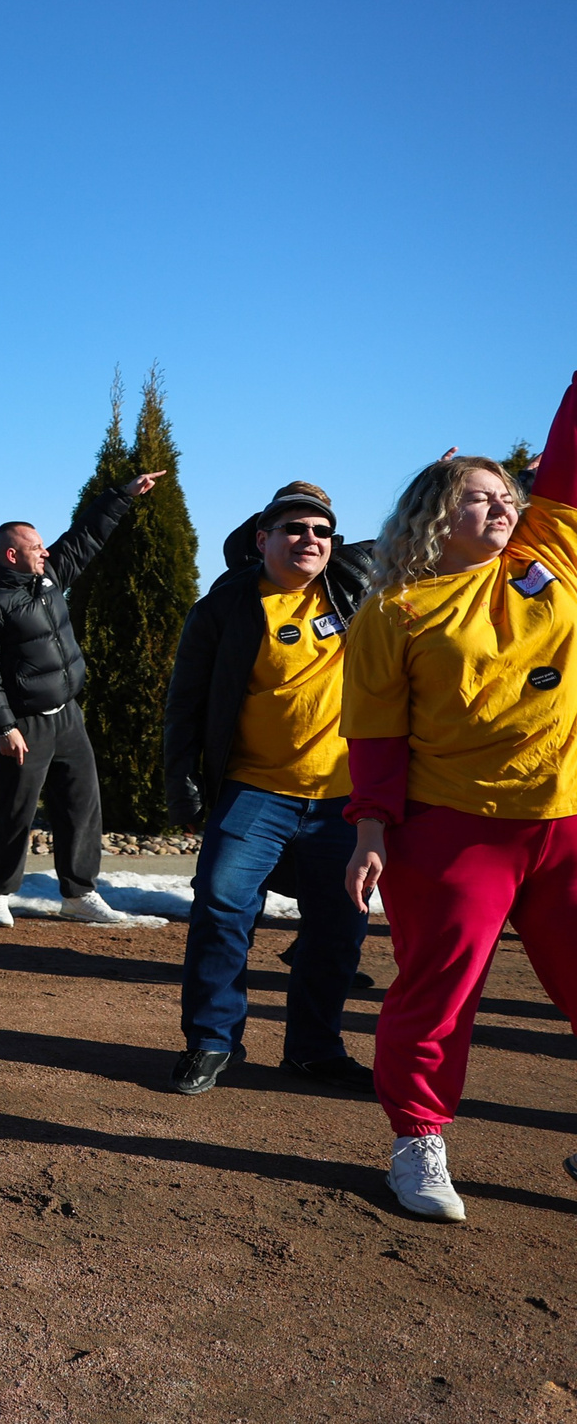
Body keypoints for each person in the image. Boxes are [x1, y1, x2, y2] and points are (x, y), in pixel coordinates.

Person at [343, 373, 577, 1224]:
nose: (503, 506)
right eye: (479, 498)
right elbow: (373, 733)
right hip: (452, 832)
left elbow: (570, 464)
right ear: (436, 515)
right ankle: (417, 1137)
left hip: (565, 823)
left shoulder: (552, 563)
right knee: (439, 992)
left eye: (508, 495)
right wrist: (371, 831)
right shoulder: (397, 610)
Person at [162, 482, 375, 1097]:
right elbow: (185, 704)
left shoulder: (356, 591)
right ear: (263, 540)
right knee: (222, 912)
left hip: (343, 798)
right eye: (294, 530)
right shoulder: (225, 607)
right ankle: (211, 1042)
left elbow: (426, 527)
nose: (309, 540)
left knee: (339, 925)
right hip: (254, 791)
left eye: (321, 532)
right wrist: (184, 789)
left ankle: (313, 1050)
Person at [0, 471, 166, 926]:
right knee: (14, 811)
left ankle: (79, 894)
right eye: (36, 548)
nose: (46, 552)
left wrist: (122, 496)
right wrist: (3, 727)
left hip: (68, 717)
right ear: (12, 555)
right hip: (24, 725)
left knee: (81, 807)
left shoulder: (49, 578)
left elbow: (85, 537)